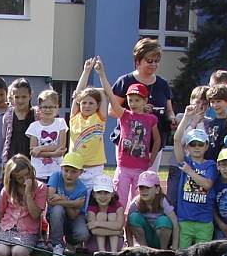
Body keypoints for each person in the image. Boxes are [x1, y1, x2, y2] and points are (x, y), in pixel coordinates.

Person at [98, 58, 161, 206]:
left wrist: (152, 159)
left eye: (137, 100)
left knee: (138, 203)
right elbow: (110, 94)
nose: (133, 104)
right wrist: (101, 73)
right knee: (119, 200)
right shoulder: (124, 114)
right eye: (130, 100)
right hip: (123, 168)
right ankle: (119, 226)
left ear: (145, 101)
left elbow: (157, 140)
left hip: (141, 168)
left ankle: (133, 227)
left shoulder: (151, 119)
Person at [109, 38, 175, 146]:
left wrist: (172, 119)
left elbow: (169, 111)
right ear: (138, 61)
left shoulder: (163, 84)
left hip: (155, 143)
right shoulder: (125, 81)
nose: (153, 64)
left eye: (157, 61)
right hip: (129, 143)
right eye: (149, 61)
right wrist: (137, 113)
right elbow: (112, 111)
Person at [0, 154, 47, 256]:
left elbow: (35, 215)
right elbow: (0, 212)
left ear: (30, 170)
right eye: (20, 178)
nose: (25, 179)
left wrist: (28, 194)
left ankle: (19, 249)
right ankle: (0, 244)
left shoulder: (41, 187)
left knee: (18, 253)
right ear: (13, 178)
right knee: (0, 253)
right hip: (6, 229)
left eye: (27, 174)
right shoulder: (7, 189)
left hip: (28, 232)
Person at [173, 119, 217, 247]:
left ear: (206, 146)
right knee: (183, 255)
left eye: (200, 144)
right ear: (187, 147)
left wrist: (190, 172)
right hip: (185, 220)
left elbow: (207, 184)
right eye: (193, 144)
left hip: (204, 221)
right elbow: (176, 140)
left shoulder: (210, 165)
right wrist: (186, 116)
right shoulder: (185, 161)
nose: (197, 147)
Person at [69, 58, 108, 191]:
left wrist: (101, 73)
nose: (87, 105)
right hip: (75, 166)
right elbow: (78, 93)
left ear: (97, 105)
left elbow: (105, 93)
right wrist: (86, 71)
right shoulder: (74, 117)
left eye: (91, 103)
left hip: (95, 167)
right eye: (84, 102)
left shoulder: (99, 117)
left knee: (92, 200)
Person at [47, 151, 89, 256]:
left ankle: (70, 242)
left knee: (83, 234)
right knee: (57, 209)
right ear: (61, 168)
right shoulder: (56, 176)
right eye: (66, 170)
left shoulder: (82, 189)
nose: (69, 175)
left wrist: (61, 198)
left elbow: (73, 216)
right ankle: (57, 244)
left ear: (80, 172)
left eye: (73, 172)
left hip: (73, 217)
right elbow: (50, 200)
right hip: (55, 215)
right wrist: (73, 203)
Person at [126, 170, 178, 249]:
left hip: (160, 237)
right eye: (141, 188)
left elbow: (175, 223)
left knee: (164, 221)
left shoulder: (163, 201)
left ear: (157, 189)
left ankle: (163, 252)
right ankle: (144, 250)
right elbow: (128, 226)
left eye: (148, 187)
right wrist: (130, 246)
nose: (144, 191)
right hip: (147, 236)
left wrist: (175, 246)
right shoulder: (135, 203)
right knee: (133, 218)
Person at [27, 89, 68, 184]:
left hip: (56, 171)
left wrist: (41, 148)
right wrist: (53, 153)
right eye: (44, 107)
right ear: (39, 108)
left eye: (51, 107)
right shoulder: (34, 126)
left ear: (57, 108)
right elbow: (33, 151)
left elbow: (61, 148)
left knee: (53, 196)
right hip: (38, 171)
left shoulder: (61, 123)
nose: (48, 110)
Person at [1, 78, 37, 165]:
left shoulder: (37, 114)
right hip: (13, 161)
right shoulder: (8, 116)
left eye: (24, 97)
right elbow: (4, 138)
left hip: (32, 161)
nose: (20, 100)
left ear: (30, 95)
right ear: (12, 97)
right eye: (17, 97)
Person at [86, 173, 124, 253]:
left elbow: (119, 225)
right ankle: (101, 252)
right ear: (94, 194)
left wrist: (96, 223)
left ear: (112, 194)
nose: (103, 196)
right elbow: (94, 231)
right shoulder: (91, 207)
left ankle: (114, 253)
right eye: (99, 192)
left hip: (115, 244)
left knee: (112, 215)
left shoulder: (118, 206)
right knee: (101, 215)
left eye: (106, 192)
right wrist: (117, 232)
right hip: (95, 244)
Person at [203, 84, 227, 161]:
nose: (215, 105)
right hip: (208, 162)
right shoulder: (210, 123)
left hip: (223, 162)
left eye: (218, 101)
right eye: (212, 102)